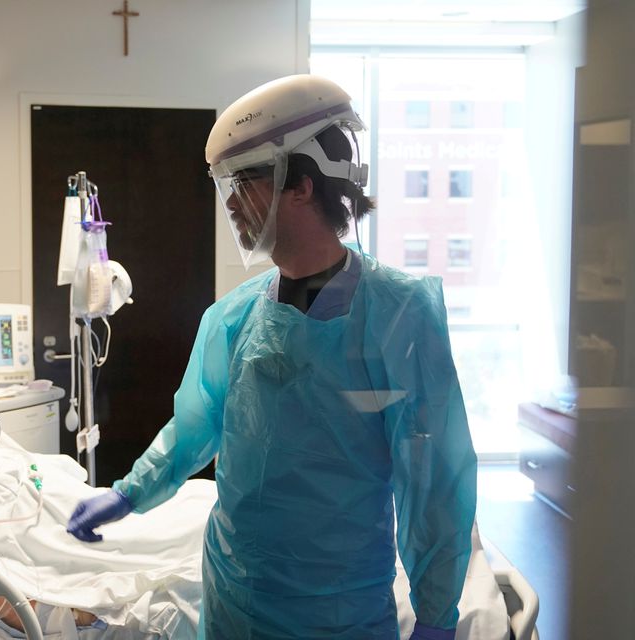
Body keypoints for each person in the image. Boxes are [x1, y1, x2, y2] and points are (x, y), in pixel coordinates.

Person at [66, 75, 477, 639]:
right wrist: (128, 492)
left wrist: (436, 613)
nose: (232, 203)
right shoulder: (233, 319)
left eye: (246, 183)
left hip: (338, 611)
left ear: (301, 185)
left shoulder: (398, 317)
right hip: (234, 596)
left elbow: (432, 478)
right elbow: (195, 425)